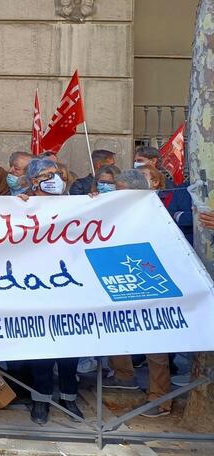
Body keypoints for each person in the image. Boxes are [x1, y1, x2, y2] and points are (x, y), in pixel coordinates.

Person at [18, 158, 83, 424]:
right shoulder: (21, 205)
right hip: (36, 289)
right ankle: (40, 401)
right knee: (41, 353)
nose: (54, 178)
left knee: (70, 352)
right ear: (34, 182)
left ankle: (69, 398)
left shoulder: (77, 205)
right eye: (46, 175)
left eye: (57, 173)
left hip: (70, 287)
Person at [104, 168, 171, 417]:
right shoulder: (112, 211)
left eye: (118, 190)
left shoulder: (156, 213)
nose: (113, 194)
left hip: (150, 280)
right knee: (114, 327)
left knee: (155, 342)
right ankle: (123, 376)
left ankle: (160, 398)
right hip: (118, 277)